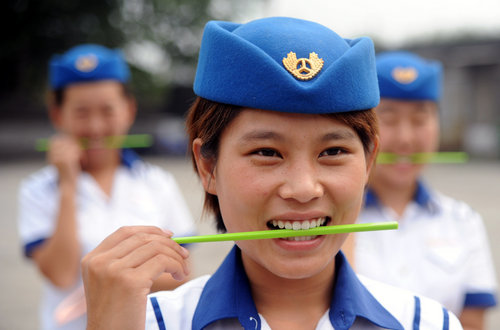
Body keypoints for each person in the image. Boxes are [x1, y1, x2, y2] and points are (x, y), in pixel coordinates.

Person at [81, 18, 463, 329]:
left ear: (369, 162)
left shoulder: (426, 322)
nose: (302, 189)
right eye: (267, 152)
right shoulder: (149, 323)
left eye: (333, 151)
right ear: (208, 166)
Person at [17, 44, 196, 330]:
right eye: (82, 113)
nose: (97, 127)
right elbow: (61, 276)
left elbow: (180, 274)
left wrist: (113, 282)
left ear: (129, 110)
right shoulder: (36, 189)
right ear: (57, 115)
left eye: (107, 110)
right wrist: (67, 185)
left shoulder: (157, 182)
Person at [349, 51, 497, 329]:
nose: (405, 139)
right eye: (389, 119)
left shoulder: (463, 221)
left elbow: (473, 323)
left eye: (419, 120)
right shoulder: (337, 221)